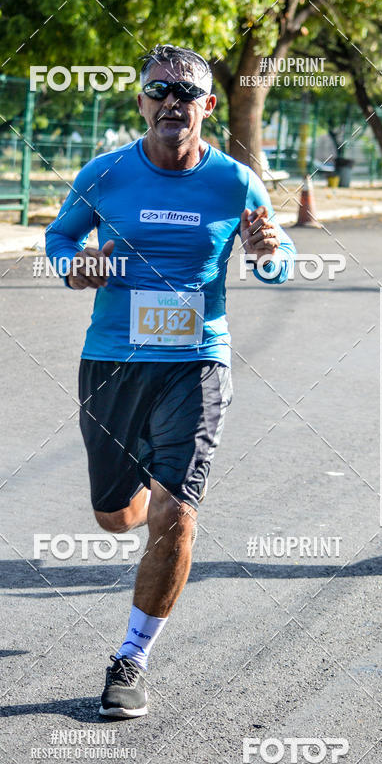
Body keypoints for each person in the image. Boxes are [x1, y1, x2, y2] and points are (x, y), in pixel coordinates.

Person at [45, 43, 296, 718]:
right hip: (113, 365)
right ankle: (127, 501)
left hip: (197, 364)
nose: (171, 103)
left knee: (176, 513)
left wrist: (271, 257)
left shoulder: (235, 182)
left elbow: (277, 260)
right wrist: (75, 266)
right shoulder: (105, 174)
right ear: (141, 102)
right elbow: (60, 239)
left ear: (208, 107)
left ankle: (131, 658)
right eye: (159, 90)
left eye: (186, 93)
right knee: (116, 515)